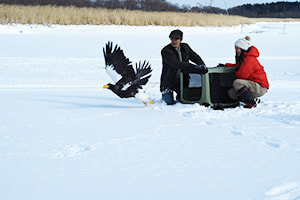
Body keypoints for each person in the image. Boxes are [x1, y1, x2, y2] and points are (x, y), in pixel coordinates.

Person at [160, 29, 208, 105]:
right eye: (172, 39)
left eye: (176, 39)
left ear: (181, 39)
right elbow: (176, 64)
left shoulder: (185, 47)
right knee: (169, 103)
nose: (174, 41)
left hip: (181, 81)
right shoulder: (166, 51)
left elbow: (195, 57)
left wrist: (202, 65)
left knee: (186, 100)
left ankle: (179, 96)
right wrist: (194, 68)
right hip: (168, 82)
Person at [220, 36, 269, 108]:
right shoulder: (245, 58)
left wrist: (232, 76)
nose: (236, 50)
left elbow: (241, 75)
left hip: (260, 87)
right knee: (232, 93)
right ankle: (253, 99)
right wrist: (226, 65)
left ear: (242, 49)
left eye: (237, 49)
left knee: (237, 83)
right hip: (253, 84)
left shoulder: (249, 59)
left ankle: (251, 103)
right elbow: (238, 66)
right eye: (235, 49)